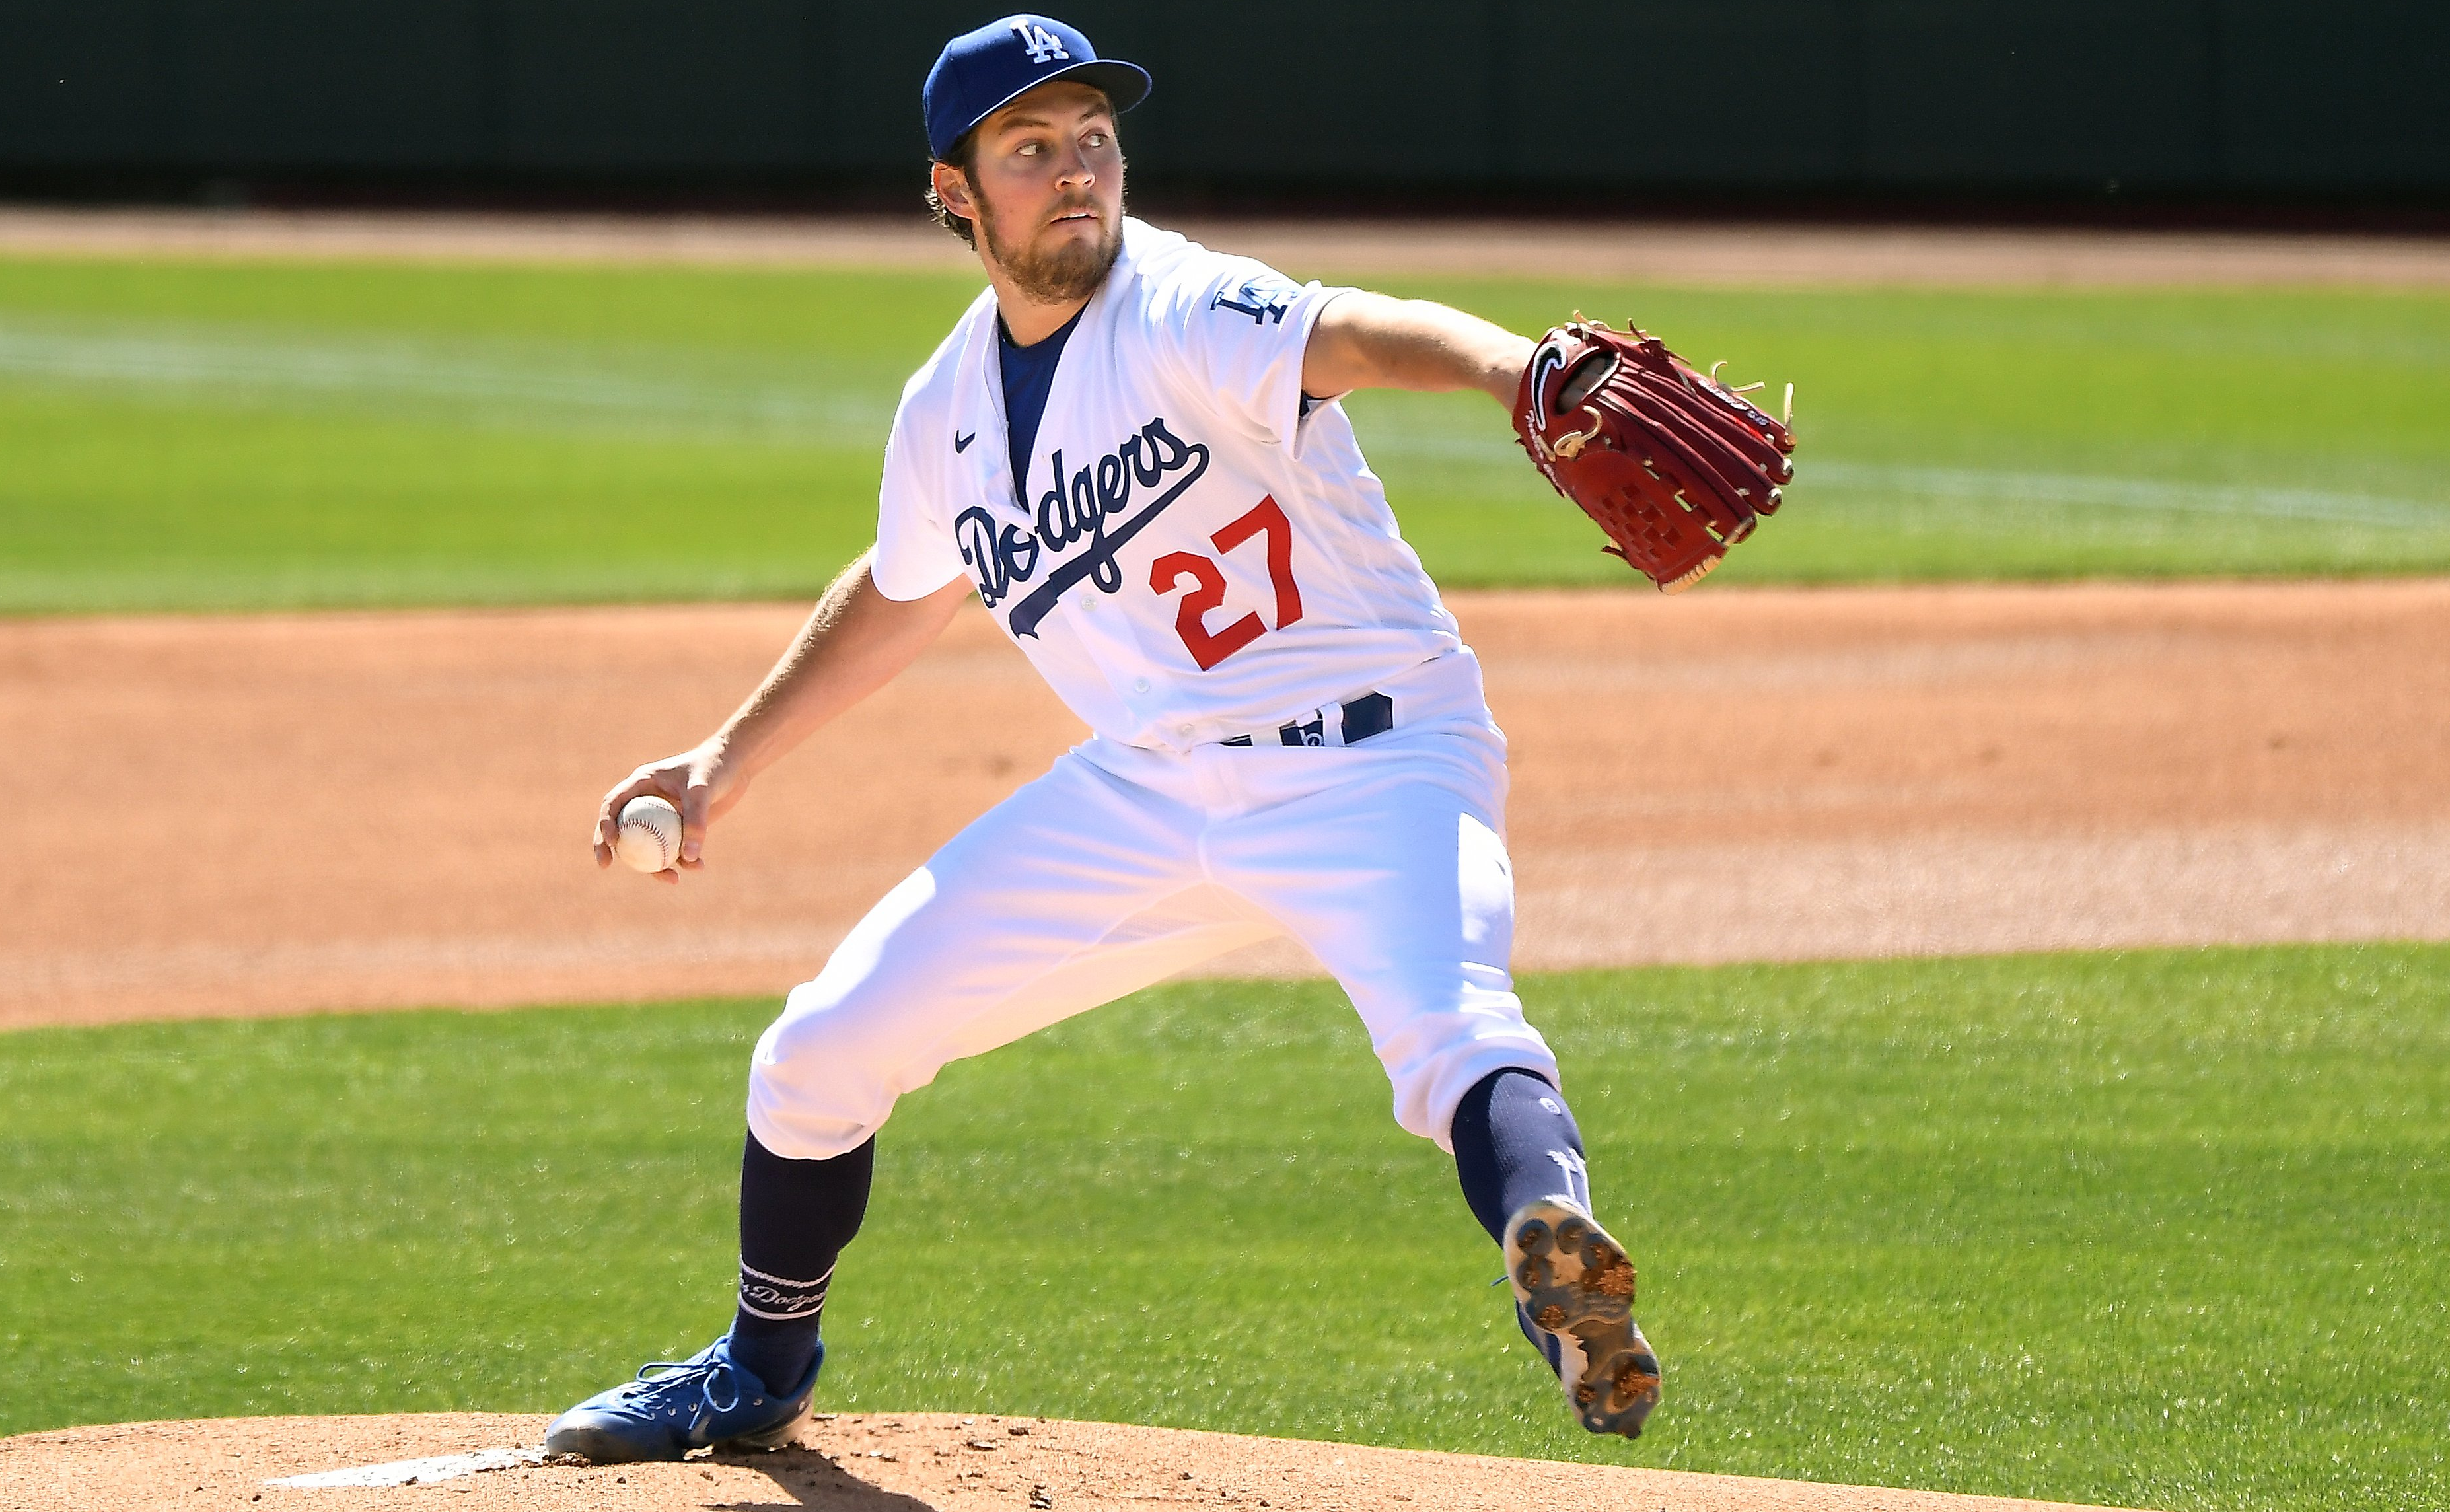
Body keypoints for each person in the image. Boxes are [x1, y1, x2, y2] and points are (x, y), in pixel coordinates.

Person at [544, 12, 1660, 1464]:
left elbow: (1359, 333)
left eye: (1094, 140)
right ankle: (759, 1371)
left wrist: (1525, 372)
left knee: (1455, 1029)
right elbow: (900, 588)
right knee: (817, 1051)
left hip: (1376, 761)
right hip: (1146, 787)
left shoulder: (1187, 303)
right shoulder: (946, 404)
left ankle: (1551, 1250)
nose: (1076, 172)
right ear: (955, 192)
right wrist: (721, 761)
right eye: (1031, 149)